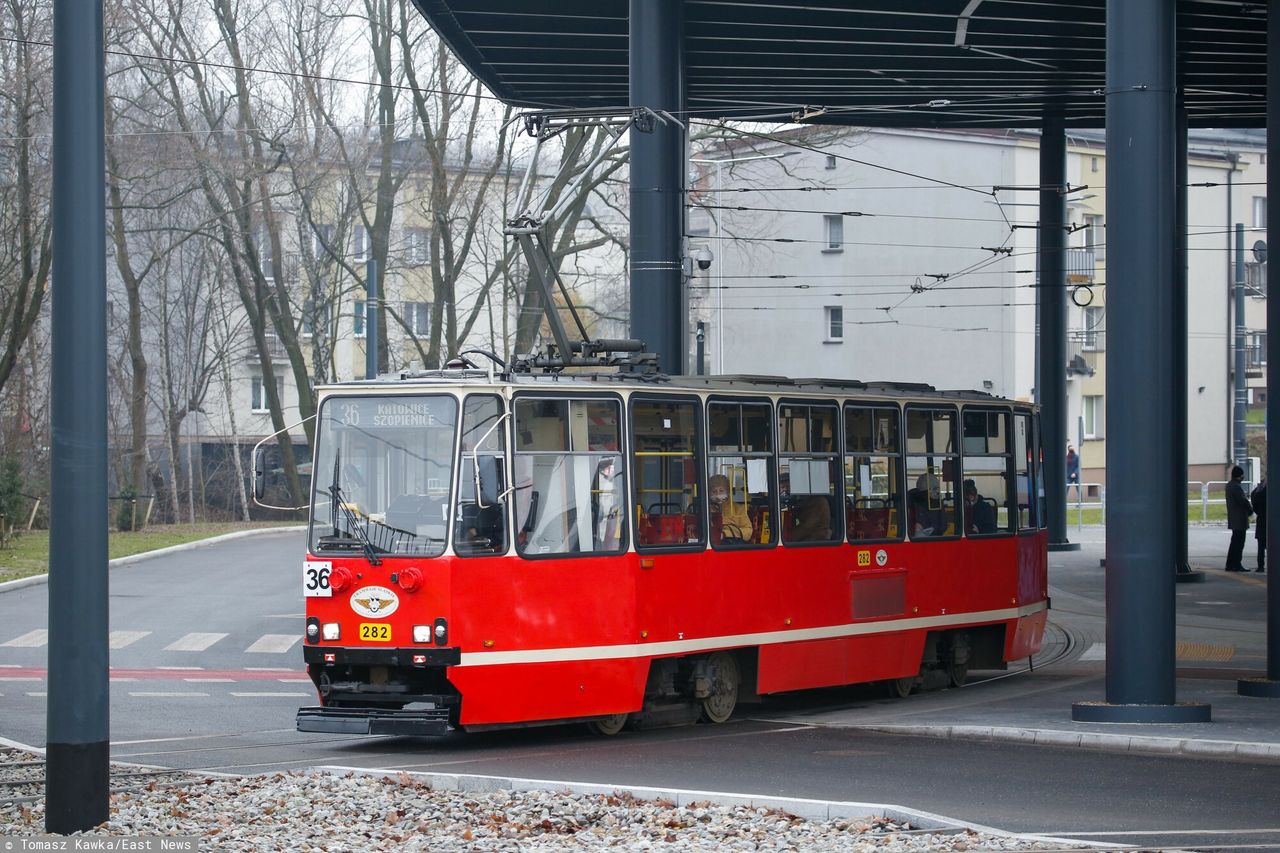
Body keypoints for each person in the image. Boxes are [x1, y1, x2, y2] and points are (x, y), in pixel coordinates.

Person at [780, 473, 832, 542]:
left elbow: (807, 527)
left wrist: (787, 538)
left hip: (815, 540)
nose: (785, 491)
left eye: (788, 487)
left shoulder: (819, 502)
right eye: (782, 488)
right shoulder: (804, 500)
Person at [708, 473, 752, 543]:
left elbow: (748, 532)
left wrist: (725, 534)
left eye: (721, 491)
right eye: (714, 491)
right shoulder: (706, 510)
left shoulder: (739, 509)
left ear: (728, 492)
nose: (718, 495)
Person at [1225, 464, 1253, 572]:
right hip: (1239, 519)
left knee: (1234, 542)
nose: (1243, 477)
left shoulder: (1229, 485)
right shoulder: (1236, 487)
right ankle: (1237, 564)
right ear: (1239, 476)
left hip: (1233, 518)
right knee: (1239, 543)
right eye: (1242, 475)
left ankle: (1230, 564)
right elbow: (1243, 501)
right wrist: (1250, 509)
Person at [592, 457, 620, 549]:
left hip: (608, 515)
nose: (614, 471)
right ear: (606, 470)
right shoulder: (605, 483)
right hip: (607, 516)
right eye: (612, 468)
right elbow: (606, 504)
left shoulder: (606, 481)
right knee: (606, 538)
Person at [908, 472, 946, 537]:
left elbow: (943, 525)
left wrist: (933, 529)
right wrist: (914, 526)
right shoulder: (911, 501)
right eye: (935, 489)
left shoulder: (938, 502)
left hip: (936, 537)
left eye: (938, 488)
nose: (937, 492)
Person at [1251, 476, 1267, 573]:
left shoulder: (1257, 492)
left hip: (1261, 520)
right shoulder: (1272, 491)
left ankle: (1260, 566)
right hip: (1270, 520)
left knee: (1261, 545)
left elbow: (1254, 506)